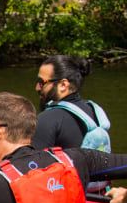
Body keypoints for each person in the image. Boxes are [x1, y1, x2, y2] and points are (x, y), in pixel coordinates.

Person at [32, 55, 111, 191]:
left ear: (63, 84)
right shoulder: (95, 112)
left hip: (69, 200)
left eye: (42, 82)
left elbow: (31, 171)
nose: (37, 88)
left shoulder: (47, 119)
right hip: (100, 193)